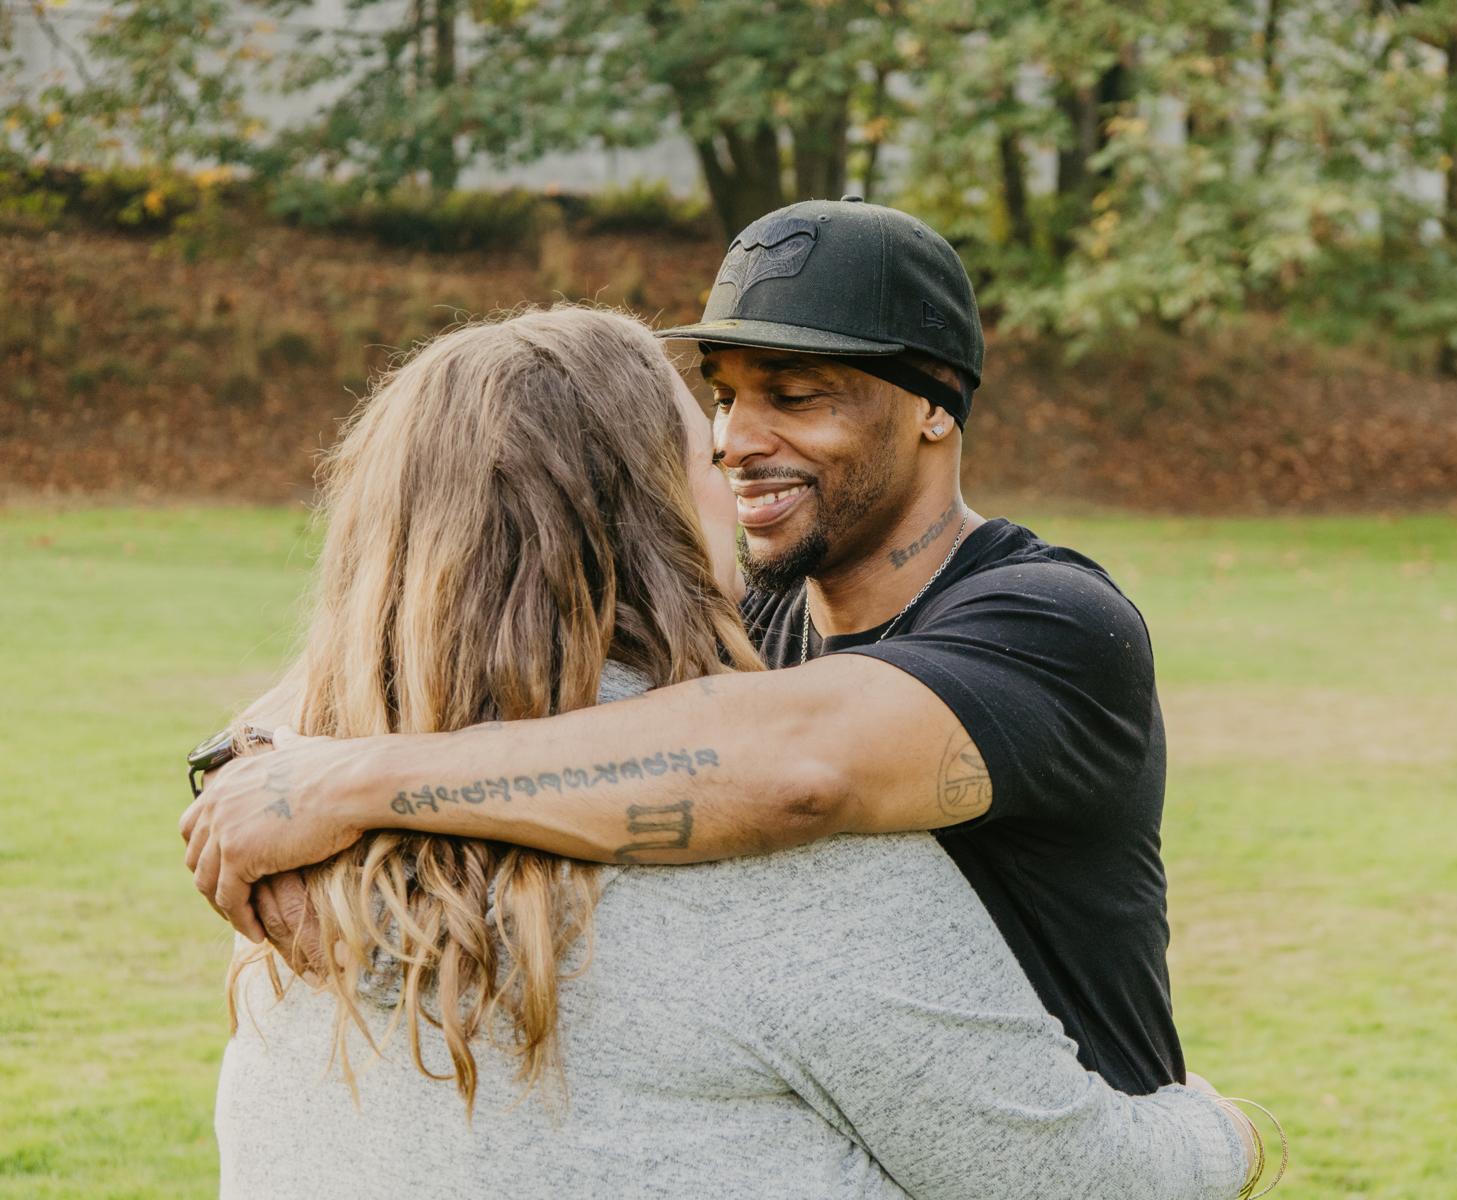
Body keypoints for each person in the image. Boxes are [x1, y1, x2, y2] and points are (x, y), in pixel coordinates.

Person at [205, 304, 1255, 1198]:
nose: (731, 449)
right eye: (703, 417)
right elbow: (1082, 1182)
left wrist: (316, 773)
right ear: (646, 499)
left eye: (794, 396)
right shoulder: (803, 879)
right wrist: (1228, 1133)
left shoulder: (301, 864)